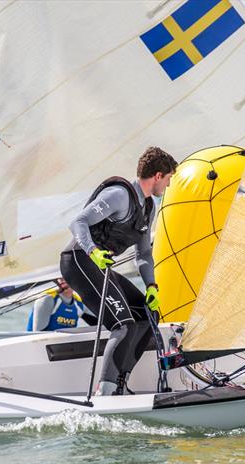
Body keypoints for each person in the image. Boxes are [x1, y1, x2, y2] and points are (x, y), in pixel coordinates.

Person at [61, 146, 176, 395]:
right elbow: (78, 222)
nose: (167, 186)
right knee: (122, 325)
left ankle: (120, 385)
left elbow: (144, 254)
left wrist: (151, 286)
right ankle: (106, 391)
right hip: (79, 260)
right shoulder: (119, 195)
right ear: (158, 176)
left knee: (147, 316)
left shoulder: (148, 207)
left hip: (100, 266)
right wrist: (92, 251)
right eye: (168, 180)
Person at [26, 278, 96, 331]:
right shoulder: (47, 299)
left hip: (63, 347)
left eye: (65, 277)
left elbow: (99, 325)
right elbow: (38, 334)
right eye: (60, 278)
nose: (62, 280)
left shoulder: (79, 304)